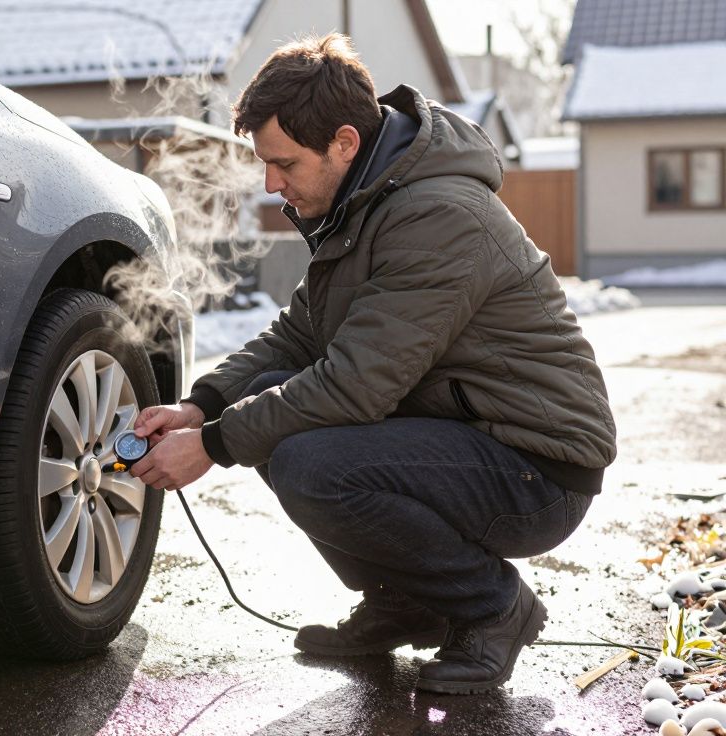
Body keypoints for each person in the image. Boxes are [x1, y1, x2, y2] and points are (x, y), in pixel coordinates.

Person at [128, 34, 616, 695]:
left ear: (346, 144)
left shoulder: (437, 216)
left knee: (308, 458)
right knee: (275, 401)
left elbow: (353, 387)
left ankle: (494, 606)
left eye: (285, 164)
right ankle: (404, 602)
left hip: (537, 470)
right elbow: (298, 338)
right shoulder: (369, 203)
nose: (272, 185)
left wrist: (212, 445)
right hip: (470, 437)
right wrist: (202, 405)